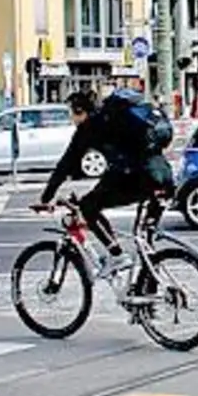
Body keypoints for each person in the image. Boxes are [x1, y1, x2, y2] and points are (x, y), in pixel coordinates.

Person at [31, 90, 173, 278]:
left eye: (72, 113)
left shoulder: (89, 127)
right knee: (145, 241)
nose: (72, 119)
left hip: (137, 177)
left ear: (80, 111)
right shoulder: (114, 119)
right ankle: (150, 287)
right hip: (164, 177)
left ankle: (116, 255)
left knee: (88, 206)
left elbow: (66, 164)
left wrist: (46, 197)